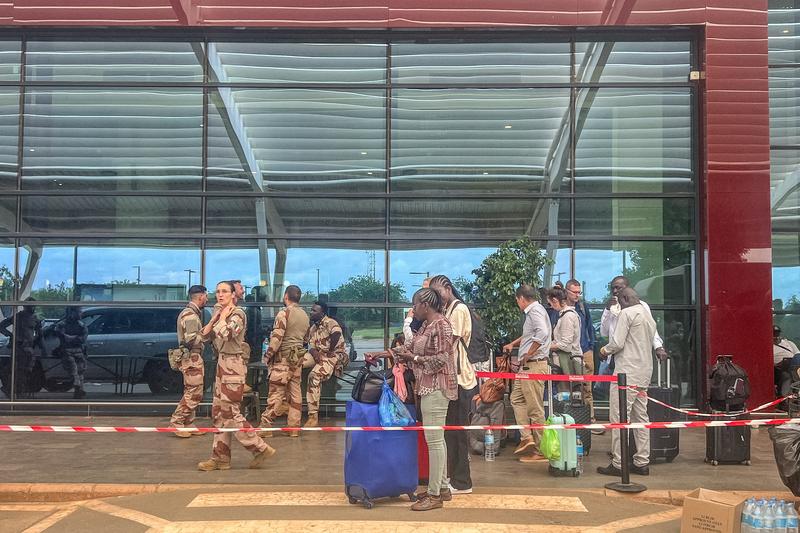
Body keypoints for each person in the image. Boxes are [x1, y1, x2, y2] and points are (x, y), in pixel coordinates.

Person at [391, 288, 457, 511]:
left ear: (425, 305)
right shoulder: (427, 326)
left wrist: (415, 359)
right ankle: (443, 488)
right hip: (428, 387)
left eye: (415, 304)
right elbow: (408, 348)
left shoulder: (442, 325)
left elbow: (441, 359)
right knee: (437, 439)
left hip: (437, 388)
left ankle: (435, 495)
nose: (413, 309)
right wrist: (385, 354)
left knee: (434, 441)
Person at [197, 281, 275, 471]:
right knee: (218, 413)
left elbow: (226, 334)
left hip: (233, 365)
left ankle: (259, 447)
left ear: (233, 295)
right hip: (221, 364)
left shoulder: (238, 314)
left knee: (231, 412)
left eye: (224, 291)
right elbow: (204, 336)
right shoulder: (220, 313)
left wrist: (222, 317)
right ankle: (220, 457)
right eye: (217, 291)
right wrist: (215, 316)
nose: (220, 295)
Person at [597, 287, 656, 477]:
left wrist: (603, 351)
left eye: (619, 301)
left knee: (619, 418)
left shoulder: (627, 313)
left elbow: (617, 343)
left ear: (624, 298)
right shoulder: (648, 316)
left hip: (626, 374)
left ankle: (618, 462)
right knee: (641, 418)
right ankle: (641, 461)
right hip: (644, 373)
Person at [429, 274, 478, 496]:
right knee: (449, 433)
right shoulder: (448, 310)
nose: (436, 298)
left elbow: (448, 343)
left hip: (460, 380)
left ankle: (462, 482)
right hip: (452, 380)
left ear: (448, 288)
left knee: (457, 433)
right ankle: (453, 477)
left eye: (438, 293)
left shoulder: (458, 309)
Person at [503, 284, 552, 463]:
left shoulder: (534, 311)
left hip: (533, 365)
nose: (518, 304)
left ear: (522, 298)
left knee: (535, 408)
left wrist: (528, 354)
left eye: (517, 300)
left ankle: (540, 450)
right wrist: (514, 344)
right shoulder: (535, 311)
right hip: (527, 366)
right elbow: (529, 334)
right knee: (516, 398)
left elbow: (543, 333)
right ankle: (527, 437)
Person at [259, 285, 310, 438]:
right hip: (296, 360)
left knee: (276, 393)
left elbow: (277, 338)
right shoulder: (305, 315)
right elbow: (306, 339)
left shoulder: (284, 313)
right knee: (295, 394)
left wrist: (267, 355)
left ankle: (265, 426)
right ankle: (294, 427)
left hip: (282, 360)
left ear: (286, 296)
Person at [170, 285, 208, 437]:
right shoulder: (191, 315)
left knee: (192, 390)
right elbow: (191, 339)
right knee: (194, 392)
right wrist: (206, 334)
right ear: (200, 297)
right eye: (205, 296)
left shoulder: (191, 313)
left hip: (192, 357)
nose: (207, 298)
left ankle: (188, 422)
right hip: (191, 357)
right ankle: (177, 421)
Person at [600, 276, 667, 361]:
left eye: (618, 288)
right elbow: (604, 333)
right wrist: (607, 310)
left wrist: (658, 347)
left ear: (628, 288)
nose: (615, 291)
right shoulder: (612, 307)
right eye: (612, 289)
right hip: (612, 358)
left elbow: (650, 328)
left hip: (631, 358)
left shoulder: (641, 306)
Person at [304, 301, 346, 428]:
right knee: (295, 364)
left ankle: (313, 416)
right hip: (319, 354)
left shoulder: (330, 322)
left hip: (334, 355)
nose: (311, 312)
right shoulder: (313, 328)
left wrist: (330, 350)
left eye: (314, 311)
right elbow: (310, 344)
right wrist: (314, 352)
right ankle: (286, 402)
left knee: (314, 375)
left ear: (322, 313)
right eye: (311, 310)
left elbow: (337, 333)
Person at [565, 279, 597, 421]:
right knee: (568, 386)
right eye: (574, 292)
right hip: (567, 352)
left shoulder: (583, 307)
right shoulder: (561, 307)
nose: (577, 295)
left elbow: (590, 327)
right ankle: (570, 418)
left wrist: (591, 346)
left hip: (584, 350)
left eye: (579, 292)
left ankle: (589, 419)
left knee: (587, 387)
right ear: (566, 291)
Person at [0, 298, 44, 396]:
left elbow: (40, 334)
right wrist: (11, 335)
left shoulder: (35, 318)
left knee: (27, 370)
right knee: (18, 370)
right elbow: (2, 326)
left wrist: (40, 345)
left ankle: (19, 389)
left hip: (29, 348)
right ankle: (15, 390)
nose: (33, 307)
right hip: (19, 347)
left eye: (34, 305)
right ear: (25, 306)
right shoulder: (18, 316)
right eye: (30, 305)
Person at [547, 286, 583, 391]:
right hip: (566, 361)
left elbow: (566, 345)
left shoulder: (567, 316)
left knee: (566, 394)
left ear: (554, 300)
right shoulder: (565, 315)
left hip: (568, 362)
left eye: (550, 303)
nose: (551, 307)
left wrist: (547, 346)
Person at [55, 307, 88, 400]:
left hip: (77, 351)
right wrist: (74, 338)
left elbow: (83, 339)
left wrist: (70, 337)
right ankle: (78, 388)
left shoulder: (81, 325)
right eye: (79, 312)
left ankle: (78, 388)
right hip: (68, 351)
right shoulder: (62, 325)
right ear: (72, 313)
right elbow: (60, 335)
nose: (81, 314)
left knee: (79, 371)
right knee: (75, 371)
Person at [774, 325, 800, 397]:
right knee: (786, 375)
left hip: (794, 364)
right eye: (773, 334)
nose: (775, 337)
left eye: (777, 334)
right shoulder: (769, 347)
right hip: (781, 369)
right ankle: (795, 390)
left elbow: (797, 354)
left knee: (797, 359)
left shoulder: (788, 342)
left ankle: (796, 386)